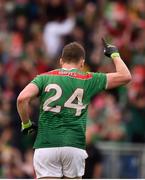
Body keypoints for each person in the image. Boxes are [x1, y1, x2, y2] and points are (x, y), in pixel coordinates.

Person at [17, 40, 131, 179]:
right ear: (82, 63)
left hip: (46, 144)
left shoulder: (44, 78)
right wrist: (114, 54)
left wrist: (26, 123)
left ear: (61, 61)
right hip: (74, 145)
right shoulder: (89, 79)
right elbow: (125, 76)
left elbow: (22, 99)